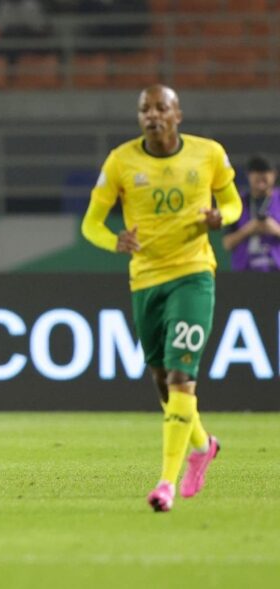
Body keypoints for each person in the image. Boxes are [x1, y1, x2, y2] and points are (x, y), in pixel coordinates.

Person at [81, 85, 241, 512]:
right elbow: (91, 224)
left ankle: (166, 483)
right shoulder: (120, 161)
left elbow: (233, 202)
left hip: (193, 275)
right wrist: (114, 241)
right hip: (145, 280)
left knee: (179, 376)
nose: (153, 115)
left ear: (177, 115)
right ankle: (204, 445)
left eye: (161, 108)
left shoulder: (208, 154)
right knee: (160, 377)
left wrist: (219, 217)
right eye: (145, 109)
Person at [223, 154, 280, 271]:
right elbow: (227, 243)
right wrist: (249, 229)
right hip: (245, 274)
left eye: (265, 172)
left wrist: (275, 230)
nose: (261, 177)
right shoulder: (238, 202)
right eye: (256, 173)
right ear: (248, 175)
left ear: (274, 174)